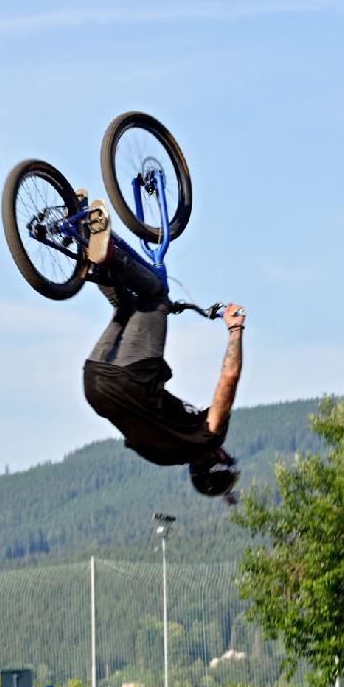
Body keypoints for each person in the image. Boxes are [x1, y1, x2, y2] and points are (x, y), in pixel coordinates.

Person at [81, 198, 245, 505]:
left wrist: (235, 329)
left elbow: (230, 376)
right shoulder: (161, 456)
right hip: (94, 384)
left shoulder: (209, 436)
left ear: (218, 459)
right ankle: (86, 249)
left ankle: (108, 254)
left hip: (131, 376)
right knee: (125, 306)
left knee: (155, 293)